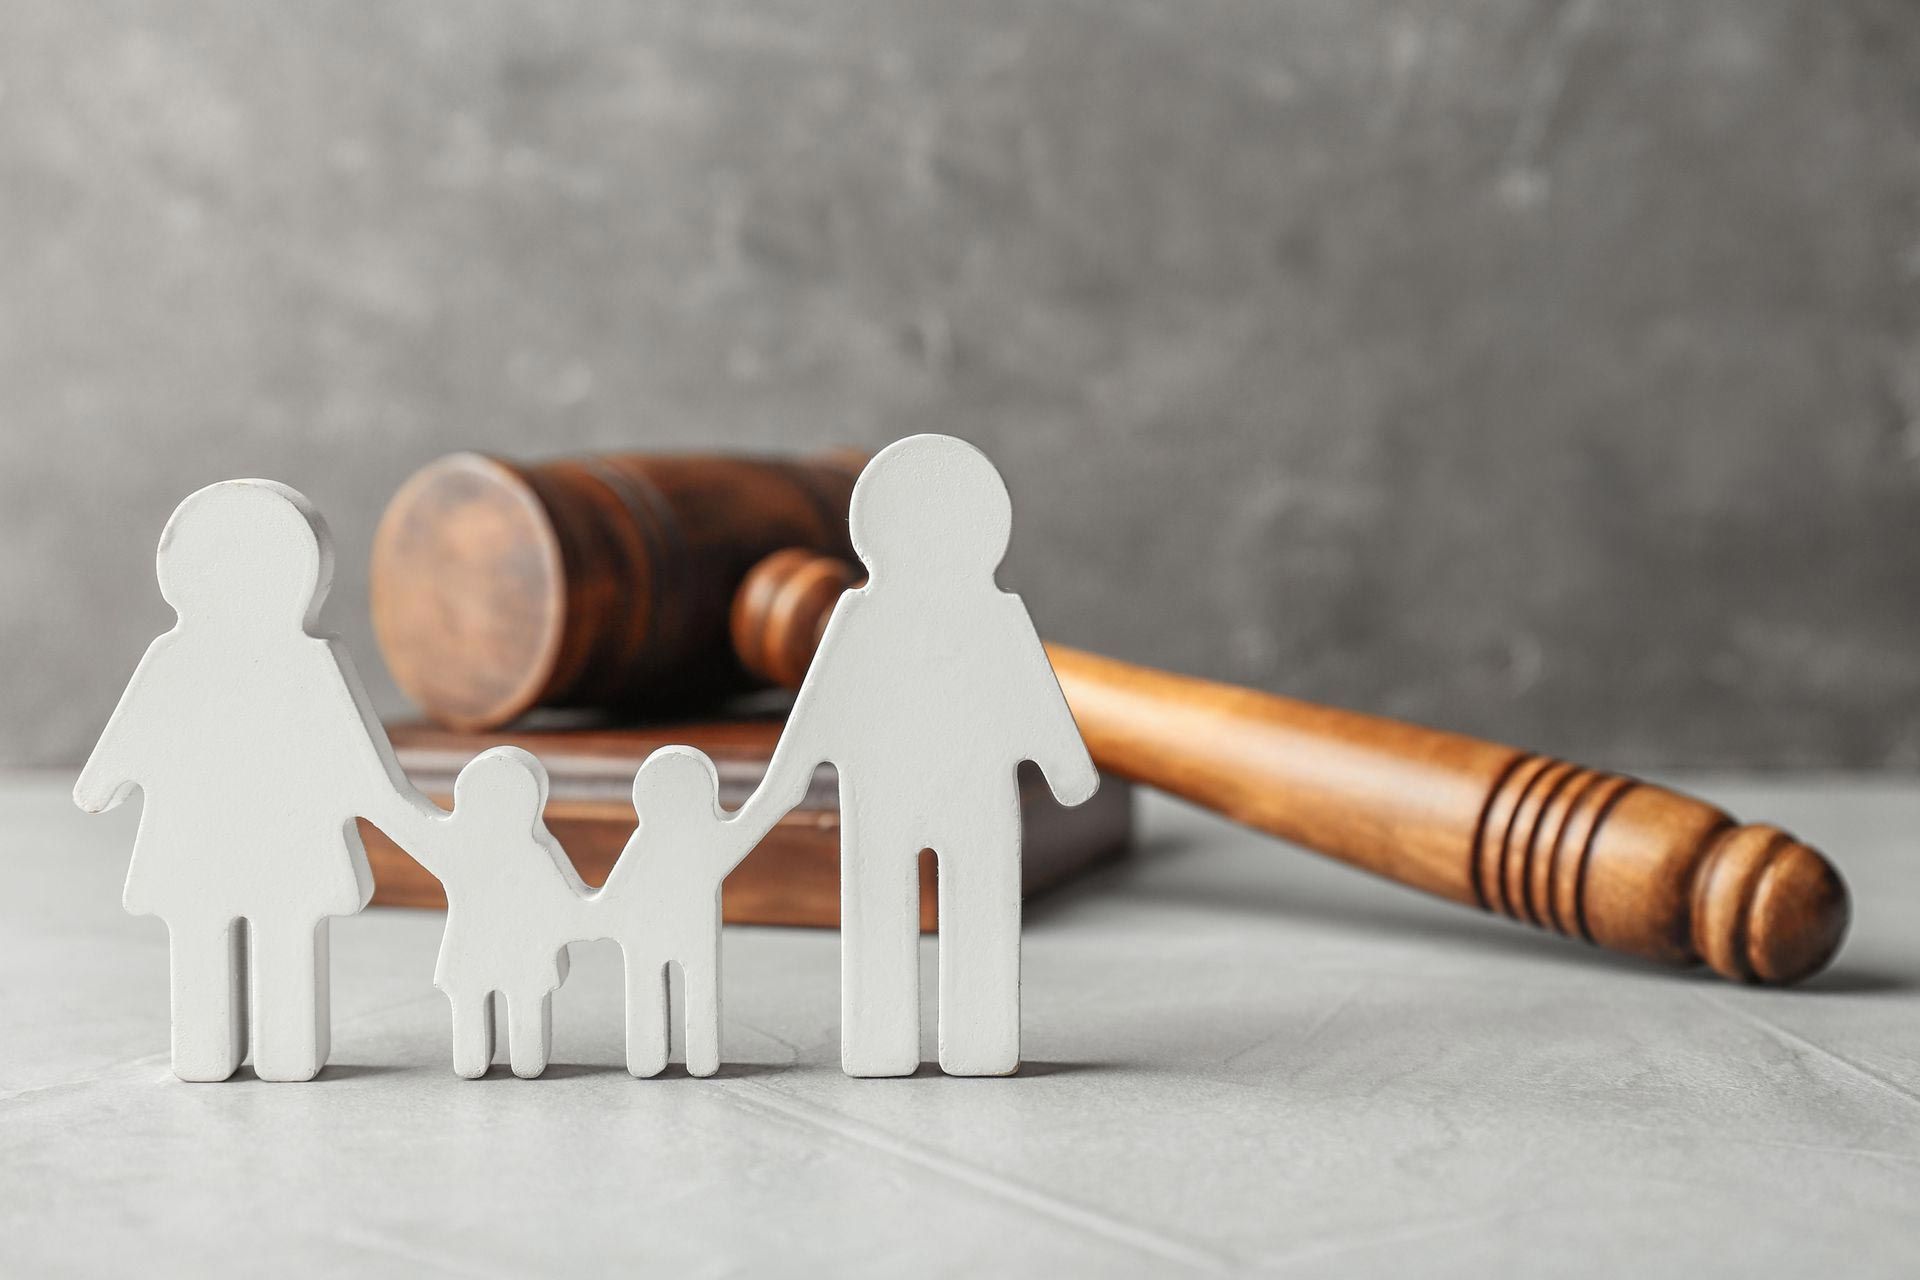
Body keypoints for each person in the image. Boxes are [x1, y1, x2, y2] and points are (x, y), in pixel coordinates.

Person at [750, 435, 1099, 1077]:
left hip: (938, 799)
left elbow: (1031, 702)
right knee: (894, 906)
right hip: (908, 799)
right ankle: (917, 1040)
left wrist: (783, 785)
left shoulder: (985, 617)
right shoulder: (874, 615)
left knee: (960, 910)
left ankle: (966, 1041)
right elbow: (823, 709)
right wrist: (1069, 773)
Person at [74, 480, 430, 1082]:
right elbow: (368, 776)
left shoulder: (281, 662)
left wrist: (102, 788)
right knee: (231, 936)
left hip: (221, 846)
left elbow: (358, 765)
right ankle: (233, 1051)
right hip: (240, 846)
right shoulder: (190, 660)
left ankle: (263, 1052)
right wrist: (410, 821)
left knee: (266, 935)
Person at [397, 747, 591, 1079]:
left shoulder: (514, 851)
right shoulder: (528, 852)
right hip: (500, 953)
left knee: (504, 1002)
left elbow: (410, 827)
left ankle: (509, 1058)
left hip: (491, 953)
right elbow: (568, 900)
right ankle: (500, 1058)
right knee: (492, 1002)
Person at [598, 746, 784, 1077]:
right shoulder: (665, 840)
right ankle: (672, 1056)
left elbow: (615, 890)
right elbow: (746, 830)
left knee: (671, 989)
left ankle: (673, 1056)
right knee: (669, 988)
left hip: (667, 935)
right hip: (667, 934)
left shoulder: (661, 840)